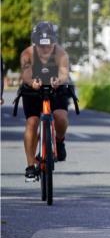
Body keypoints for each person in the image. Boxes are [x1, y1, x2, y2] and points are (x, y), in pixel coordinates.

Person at [19, 22, 72, 182]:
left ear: (53, 41)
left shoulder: (61, 54)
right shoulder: (27, 54)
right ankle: (30, 166)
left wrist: (59, 80)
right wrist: (32, 82)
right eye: (41, 45)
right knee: (32, 122)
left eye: (48, 44)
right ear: (35, 43)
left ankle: (59, 141)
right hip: (33, 89)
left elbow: (64, 72)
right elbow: (26, 73)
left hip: (56, 88)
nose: (44, 48)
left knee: (60, 117)